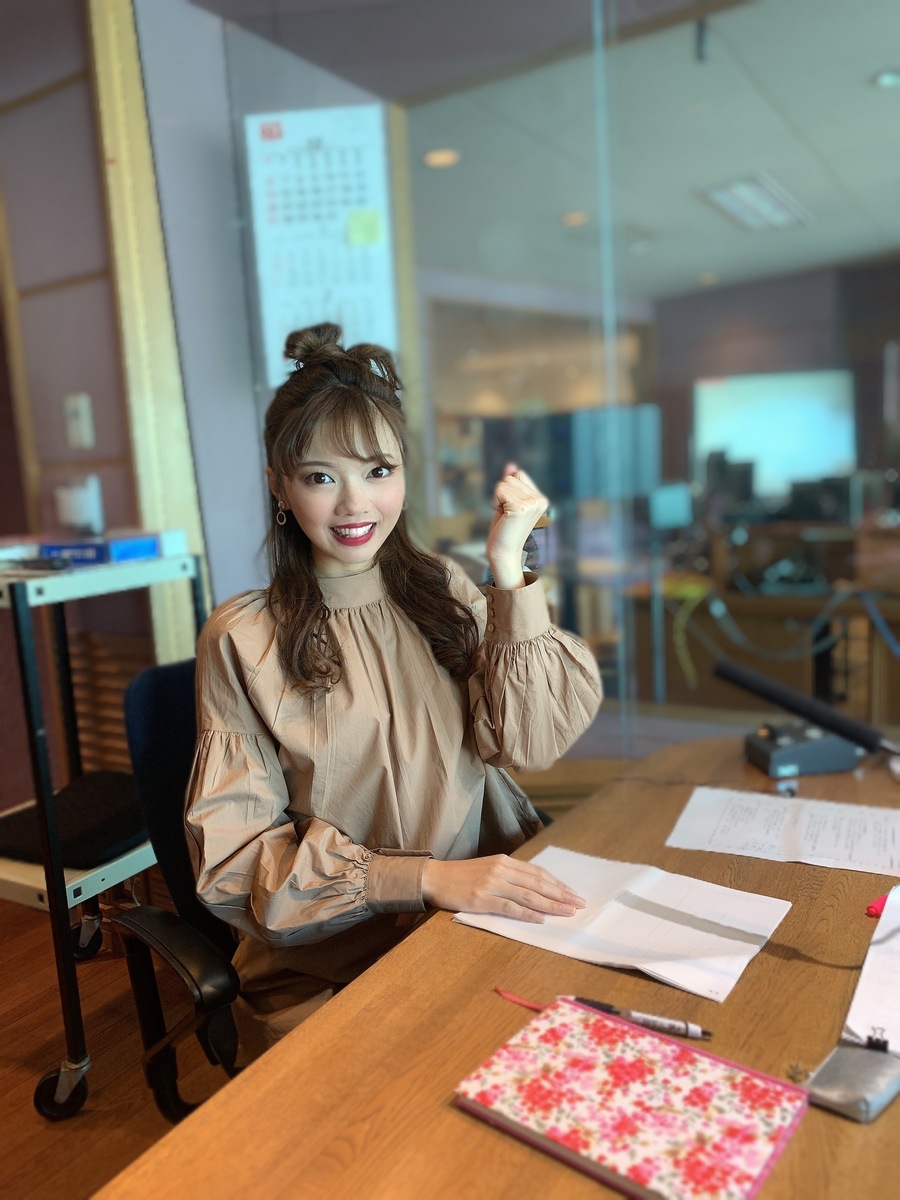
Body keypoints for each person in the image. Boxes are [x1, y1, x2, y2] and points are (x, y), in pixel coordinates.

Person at [185, 324, 603, 1059]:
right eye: (320, 477)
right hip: (332, 966)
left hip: (480, 922)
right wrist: (426, 879)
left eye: (378, 470)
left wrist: (509, 570)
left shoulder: (442, 590)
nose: (356, 504)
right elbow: (237, 866)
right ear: (279, 486)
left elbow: (532, 740)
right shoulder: (242, 638)